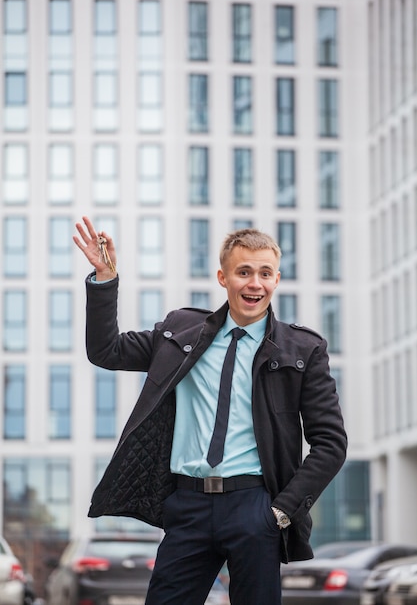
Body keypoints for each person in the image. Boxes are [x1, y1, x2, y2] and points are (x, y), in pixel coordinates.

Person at [73, 216, 347, 605]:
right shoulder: (180, 332)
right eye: (244, 272)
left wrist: (281, 512)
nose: (255, 283)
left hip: (255, 506)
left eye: (265, 273)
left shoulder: (302, 350)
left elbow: (331, 444)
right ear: (223, 277)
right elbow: (107, 351)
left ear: (277, 279)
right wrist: (104, 279)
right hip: (188, 505)